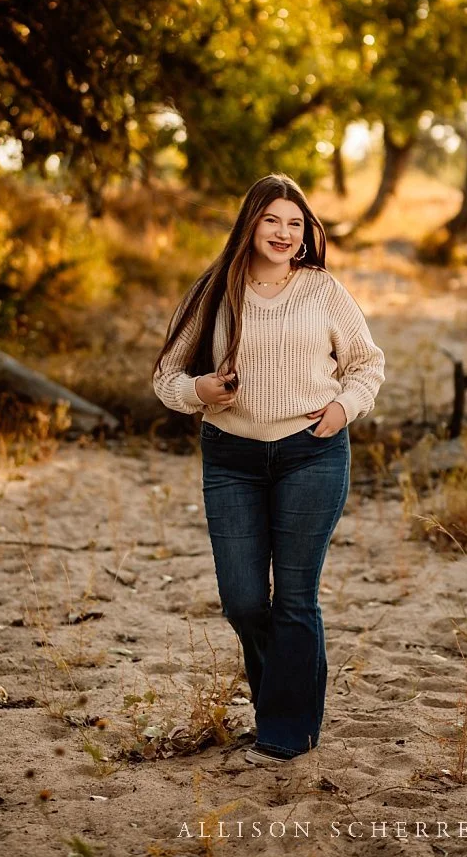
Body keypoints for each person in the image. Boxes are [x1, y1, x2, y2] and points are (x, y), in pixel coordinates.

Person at [152, 173, 385, 767]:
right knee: (244, 601)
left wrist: (342, 408)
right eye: (272, 220)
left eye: (295, 222)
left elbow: (366, 364)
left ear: (306, 233)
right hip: (232, 459)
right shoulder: (212, 292)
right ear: (250, 225)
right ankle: (282, 696)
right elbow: (166, 380)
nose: (284, 233)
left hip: (311, 452)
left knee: (296, 598)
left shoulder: (322, 290)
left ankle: (287, 728)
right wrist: (199, 389)